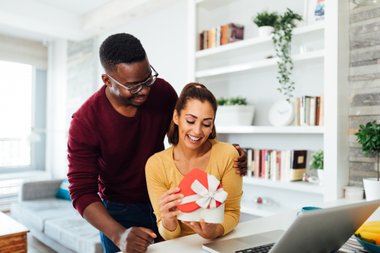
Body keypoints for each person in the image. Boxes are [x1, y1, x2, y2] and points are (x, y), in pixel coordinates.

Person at [67, 33, 247, 253]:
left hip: (169, 198)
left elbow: (186, 132)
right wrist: (119, 235)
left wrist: (226, 155)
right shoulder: (85, 121)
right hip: (120, 210)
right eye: (133, 86)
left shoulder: (161, 92)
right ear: (107, 80)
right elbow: (81, 191)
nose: (145, 90)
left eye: (147, 78)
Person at [145, 83, 243, 240]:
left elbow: (232, 212)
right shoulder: (156, 165)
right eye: (190, 121)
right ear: (176, 117)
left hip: (219, 243)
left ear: (212, 127)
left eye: (206, 124)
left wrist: (215, 231)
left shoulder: (227, 154)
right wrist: (168, 220)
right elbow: (168, 235)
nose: (197, 131)